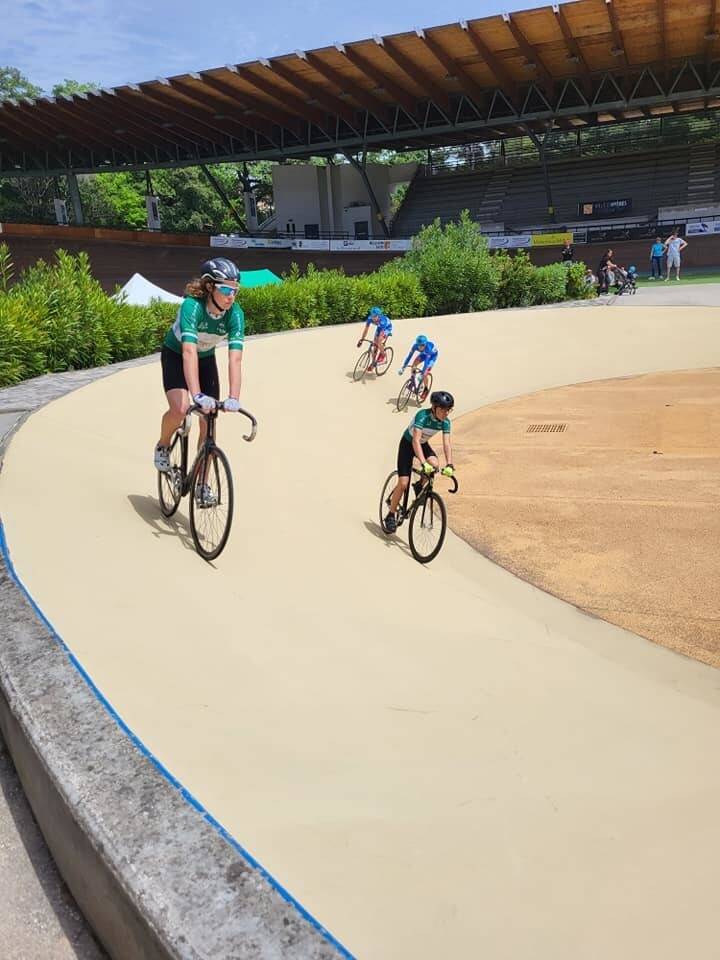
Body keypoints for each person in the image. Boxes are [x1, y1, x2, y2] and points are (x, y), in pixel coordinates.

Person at [154, 257, 244, 502]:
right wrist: (197, 395)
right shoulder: (192, 307)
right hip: (176, 354)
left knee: (209, 420)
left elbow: (235, 359)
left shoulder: (235, 314)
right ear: (209, 287)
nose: (231, 296)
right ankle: (163, 445)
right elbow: (188, 351)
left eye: (235, 290)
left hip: (205, 360)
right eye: (226, 289)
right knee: (181, 408)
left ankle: (202, 485)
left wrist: (234, 397)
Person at [383, 391, 455, 534]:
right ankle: (390, 515)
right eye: (443, 410)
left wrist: (450, 464)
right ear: (434, 408)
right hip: (408, 445)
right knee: (403, 483)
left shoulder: (446, 422)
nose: (446, 413)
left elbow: (447, 444)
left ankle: (419, 485)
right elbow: (415, 440)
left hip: (422, 444)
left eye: (449, 410)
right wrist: (422, 463)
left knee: (434, 464)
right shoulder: (422, 416)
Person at [398, 334, 438, 399]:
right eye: (420, 345)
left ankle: (425, 389)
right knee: (413, 365)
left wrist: (422, 374)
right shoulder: (415, 346)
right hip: (424, 354)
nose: (421, 347)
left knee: (425, 373)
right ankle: (412, 381)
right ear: (417, 344)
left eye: (423, 345)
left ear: (425, 344)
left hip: (432, 357)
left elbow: (426, 363)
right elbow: (409, 357)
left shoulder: (428, 348)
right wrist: (403, 367)